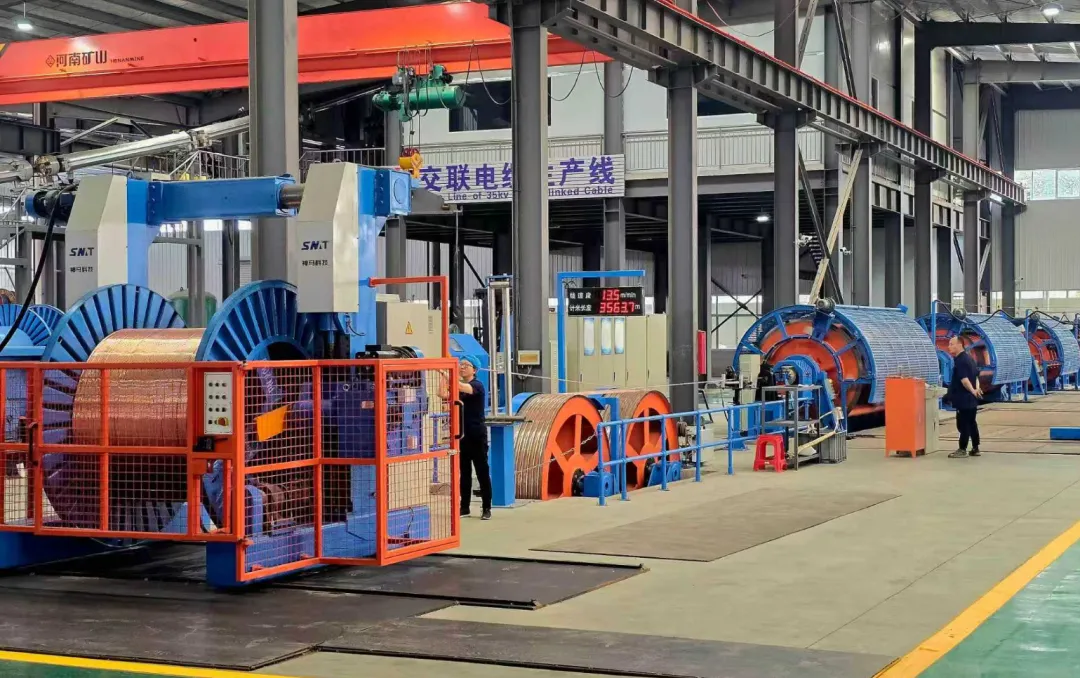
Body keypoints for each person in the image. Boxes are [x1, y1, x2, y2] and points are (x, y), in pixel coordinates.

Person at [457, 357, 492, 519]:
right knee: (464, 473)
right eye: (461, 364)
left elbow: (460, 386)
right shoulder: (459, 387)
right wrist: (442, 375)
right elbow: (441, 393)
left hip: (477, 436)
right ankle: (464, 507)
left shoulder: (477, 385)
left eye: (466, 365)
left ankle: (486, 508)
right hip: (462, 436)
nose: (462, 367)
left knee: (482, 472)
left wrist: (446, 371)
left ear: (475, 370)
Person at [947, 335, 982, 458]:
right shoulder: (969, 358)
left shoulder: (960, 360)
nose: (949, 347)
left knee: (963, 424)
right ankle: (975, 448)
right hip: (972, 399)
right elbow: (976, 376)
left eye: (951, 344)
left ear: (960, 345)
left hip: (964, 398)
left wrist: (972, 390)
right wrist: (976, 389)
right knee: (972, 423)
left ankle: (962, 449)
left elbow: (964, 380)